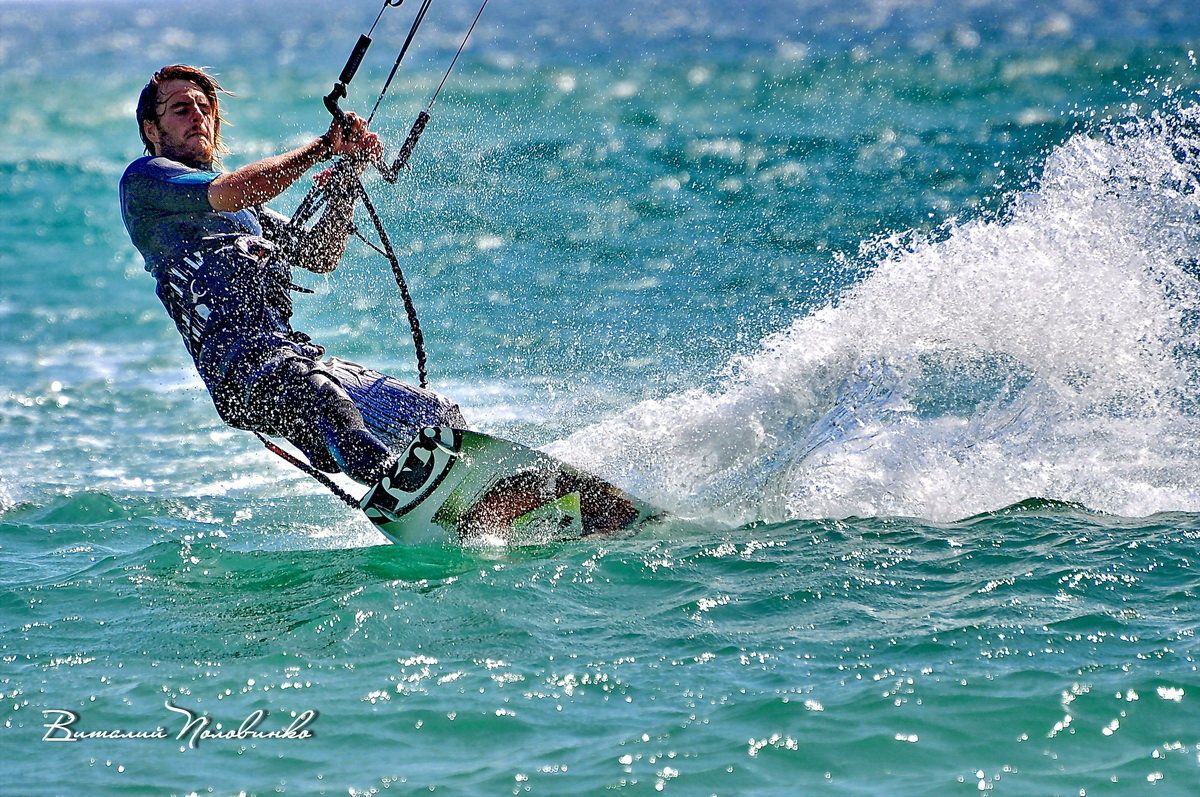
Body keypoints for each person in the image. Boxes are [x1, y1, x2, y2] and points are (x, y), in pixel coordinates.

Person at [120, 64, 464, 485]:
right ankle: (407, 491)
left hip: (296, 358)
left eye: (203, 106)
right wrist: (323, 147)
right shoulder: (146, 180)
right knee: (326, 405)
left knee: (434, 415)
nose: (197, 115)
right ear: (152, 130)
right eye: (179, 109)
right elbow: (232, 190)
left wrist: (346, 180)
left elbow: (320, 254)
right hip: (242, 373)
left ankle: (486, 488)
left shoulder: (247, 213)